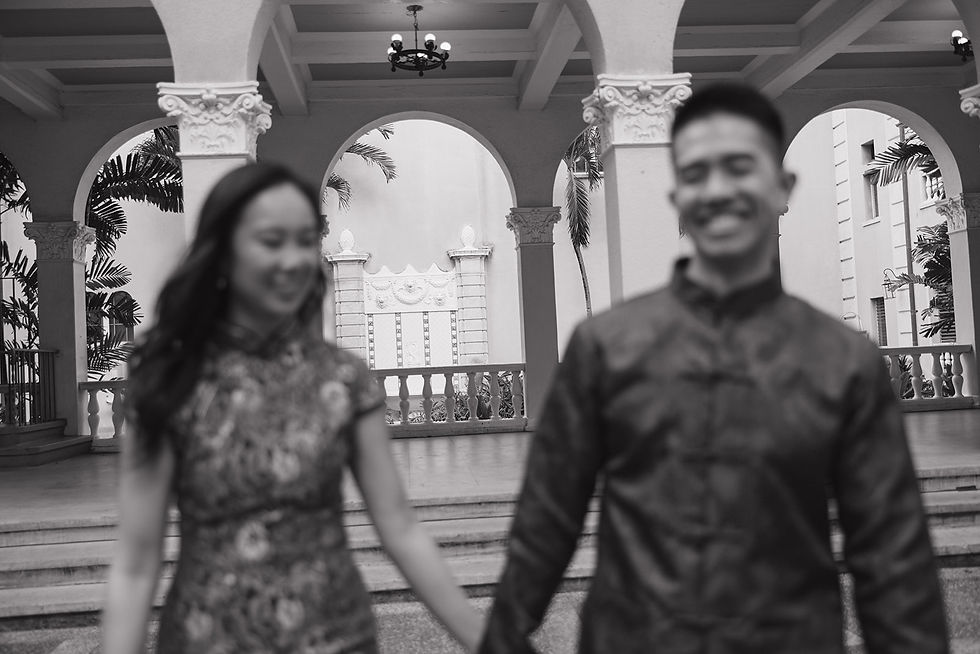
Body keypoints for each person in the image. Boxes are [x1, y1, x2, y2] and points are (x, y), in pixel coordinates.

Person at [478, 82, 949, 654]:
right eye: (697, 173)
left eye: (740, 167)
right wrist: (504, 632)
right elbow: (547, 521)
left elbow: (891, 552)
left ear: (782, 188)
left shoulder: (843, 361)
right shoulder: (606, 348)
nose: (719, 190)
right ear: (677, 195)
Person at [101, 163, 483, 653]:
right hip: (208, 639)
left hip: (335, 637)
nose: (294, 259)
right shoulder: (170, 382)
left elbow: (401, 528)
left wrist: (485, 639)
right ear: (222, 254)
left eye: (306, 240)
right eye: (271, 241)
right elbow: (136, 563)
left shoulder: (342, 379)